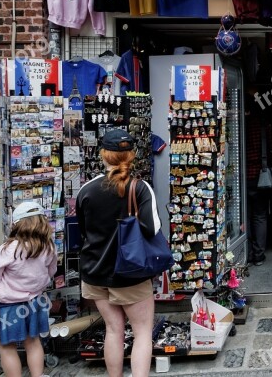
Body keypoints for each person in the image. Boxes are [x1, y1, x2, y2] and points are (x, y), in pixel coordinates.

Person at [76, 129, 160, 377]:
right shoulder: (140, 188)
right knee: (142, 332)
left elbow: (83, 231)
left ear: (103, 154)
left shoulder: (87, 190)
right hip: (130, 272)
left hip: (95, 272)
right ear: (131, 156)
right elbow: (153, 228)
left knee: (113, 330)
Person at [0, 201, 58, 377]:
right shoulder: (48, 247)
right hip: (34, 303)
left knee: (6, 345)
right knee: (33, 342)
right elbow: (51, 273)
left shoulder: (8, 249)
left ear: (17, 223)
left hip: (7, 306)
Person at [244, 95, 272, 266]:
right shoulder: (264, 126)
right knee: (260, 216)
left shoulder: (239, 124)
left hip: (242, 178)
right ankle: (258, 255)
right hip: (261, 177)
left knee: (245, 216)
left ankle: (246, 253)